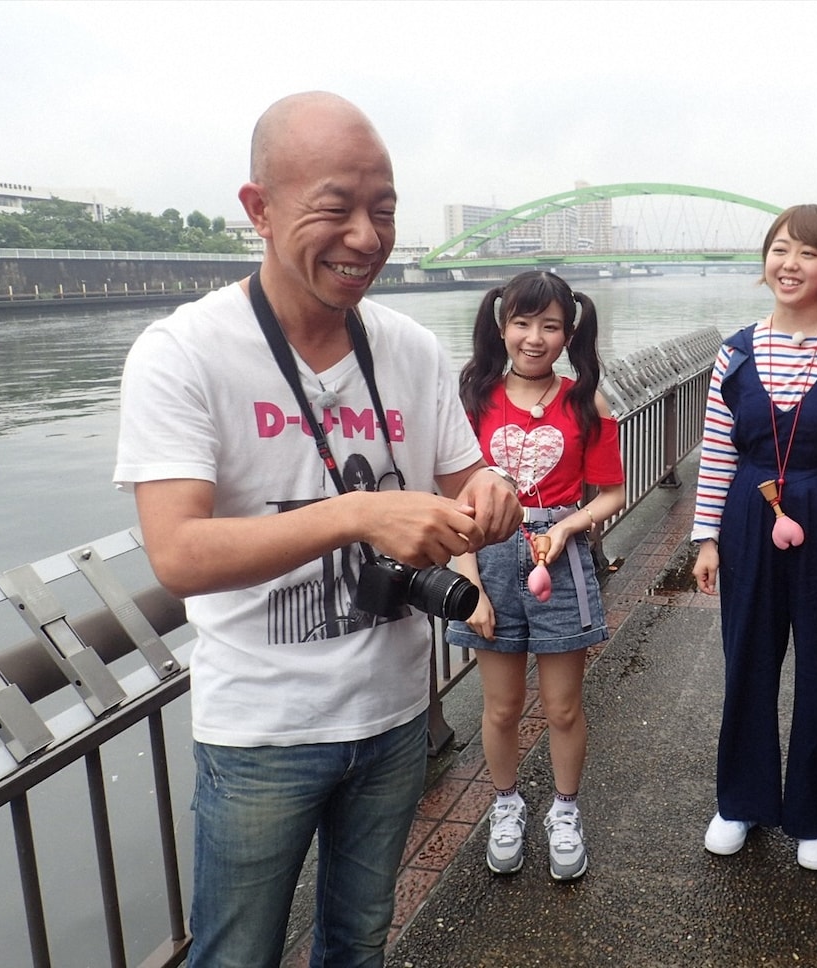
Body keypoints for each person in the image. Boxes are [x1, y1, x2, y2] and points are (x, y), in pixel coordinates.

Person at [113, 92, 521, 967]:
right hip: (262, 729)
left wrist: (493, 492)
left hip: (395, 710)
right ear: (258, 210)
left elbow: (466, 473)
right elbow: (178, 552)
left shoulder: (408, 346)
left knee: (359, 943)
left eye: (384, 210)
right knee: (237, 954)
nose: (366, 238)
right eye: (334, 207)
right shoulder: (182, 352)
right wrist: (362, 514)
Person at [690, 204, 817, 870]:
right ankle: (740, 801)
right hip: (749, 513)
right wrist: (706, 538)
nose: (789, 264)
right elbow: (717, 448)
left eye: (807, 252)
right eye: (779, 249)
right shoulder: (737, 350)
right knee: (747, 659)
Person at [446, 270, 626, 881]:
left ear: (569, 333)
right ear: (501, 328)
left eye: (550, 325)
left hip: (562, 559)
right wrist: (468, 582)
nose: (534, 337)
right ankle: (506, 804)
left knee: (564, 708)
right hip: (490, 557)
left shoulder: (585, 401)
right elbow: (454, 500)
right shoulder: (473, 398)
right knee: (499, 709)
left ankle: (565, 811)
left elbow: (611, 493)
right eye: (522, 323)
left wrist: (570, 527)